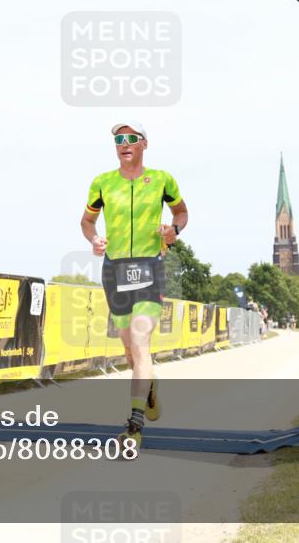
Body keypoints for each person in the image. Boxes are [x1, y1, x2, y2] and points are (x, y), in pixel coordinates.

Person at [81, 121, 188, 455]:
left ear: (144, 144)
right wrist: (94, 238)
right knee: (130, 349)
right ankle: (149, 382)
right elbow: (86, 221)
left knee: (141, 341)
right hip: (114, 270)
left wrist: (174, 230)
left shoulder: (162, 180)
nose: (123, 143)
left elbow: (181, 212)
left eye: (130, 138)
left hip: (149, 267)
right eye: (118, 139)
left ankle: (134, 425)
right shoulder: (102, 183)